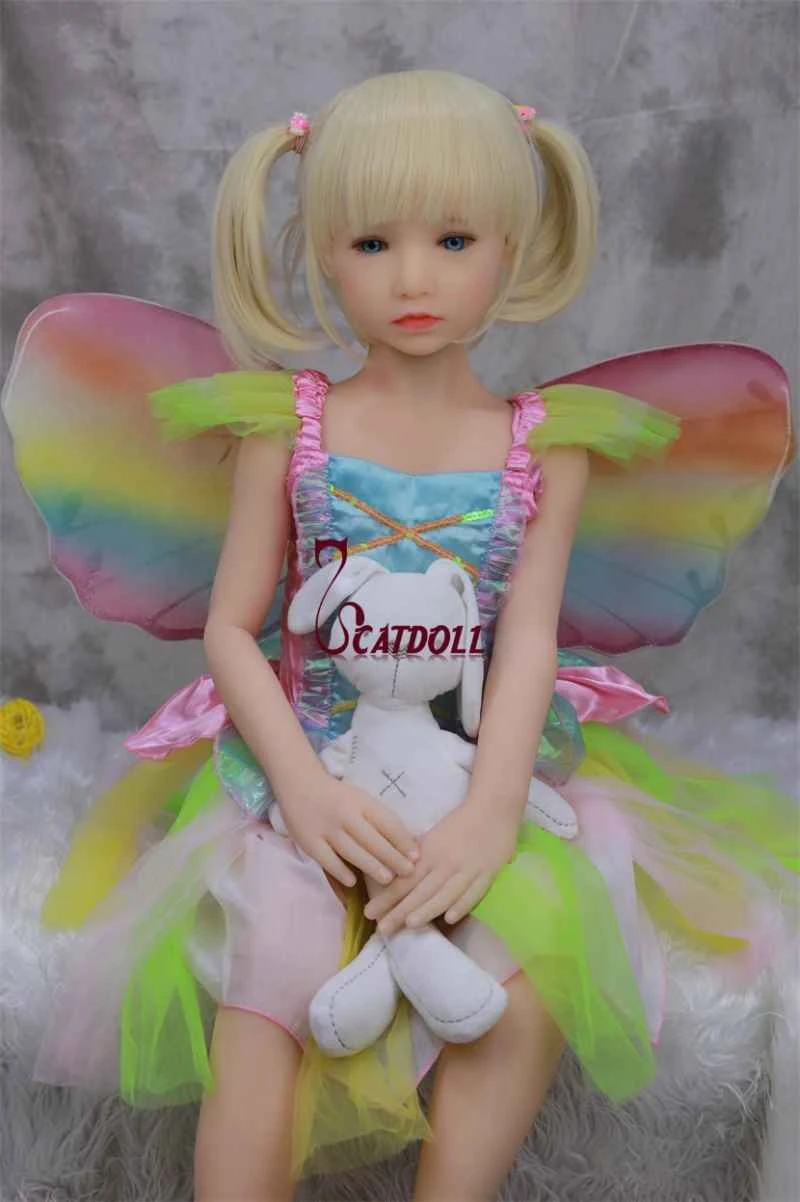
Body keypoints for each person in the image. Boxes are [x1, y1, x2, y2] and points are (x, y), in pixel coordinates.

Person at [7, 69, 796, 1202]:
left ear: (512, 246)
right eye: (372, 243)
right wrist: (304, 792)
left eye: (453, 239)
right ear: (325, 254)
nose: (414, 277)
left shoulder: (545, 448)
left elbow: (527, 644)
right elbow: (231, 629)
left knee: (530, 959)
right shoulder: (287, 430)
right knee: (273, 963)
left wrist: (488, 811)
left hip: (479, 764)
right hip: (307, 758)